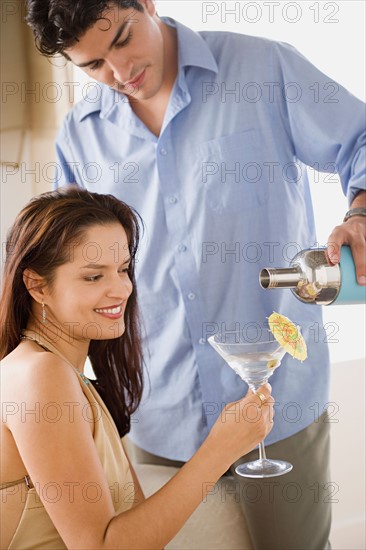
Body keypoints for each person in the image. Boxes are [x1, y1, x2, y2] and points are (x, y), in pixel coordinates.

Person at [25, 1, 366, 548]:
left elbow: (361, 137)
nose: (119, 73)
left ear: (147, 5)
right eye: (93, 65)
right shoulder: (80, 138)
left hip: (278, 402)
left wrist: (360, 214)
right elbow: (68, 271)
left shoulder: (262, 68)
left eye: (123, 40)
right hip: (158, 413)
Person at [0, 186, 273, 549]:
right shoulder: (41, 375)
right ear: (37, 286)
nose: (121, 289)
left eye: (123, 269)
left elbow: (139, 530)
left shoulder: (73, 376)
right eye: (94, 277)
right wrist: (219, 450)